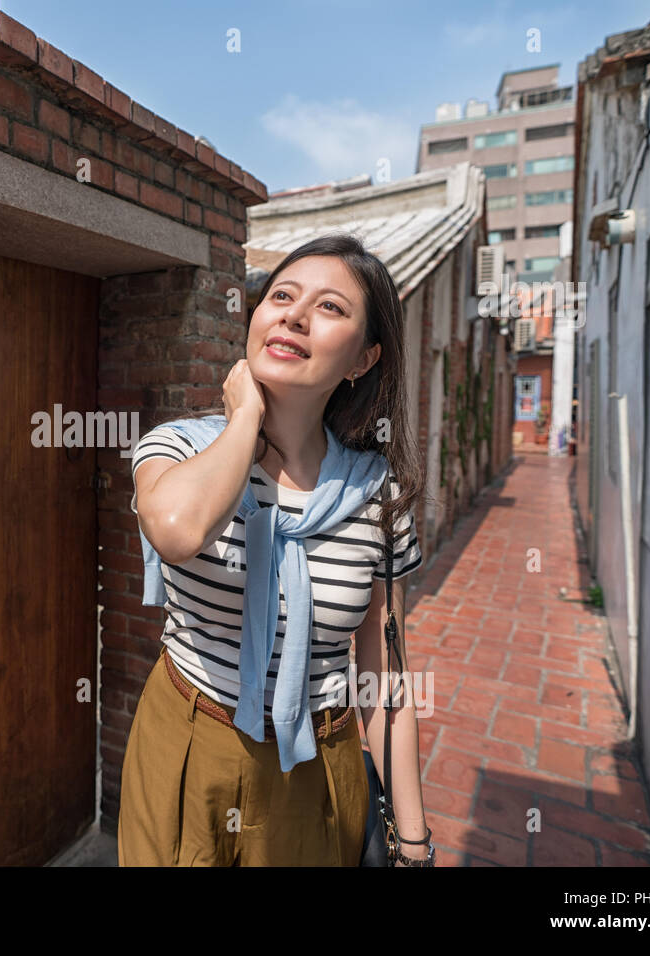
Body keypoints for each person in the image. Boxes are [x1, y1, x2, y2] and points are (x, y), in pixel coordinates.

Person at [117, 233, 435, 866]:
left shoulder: (377, 493)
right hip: (185, 741)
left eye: (330, 308)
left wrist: (415, 838)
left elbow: (383, 672)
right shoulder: (179, 447)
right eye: (281, 296)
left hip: (314, 762)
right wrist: (243, 420)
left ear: (363, 360)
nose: (292, 313)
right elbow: (178, 530)